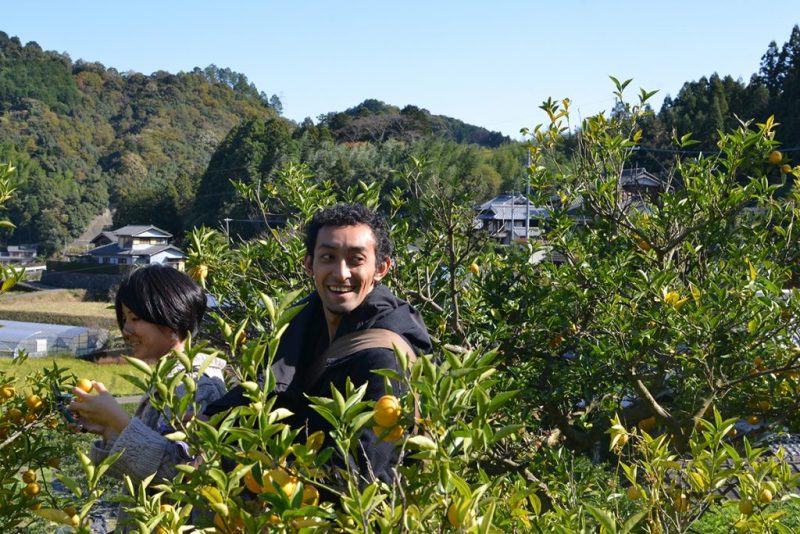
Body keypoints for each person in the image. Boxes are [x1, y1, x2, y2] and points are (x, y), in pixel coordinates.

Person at [206, 203, 431, 485]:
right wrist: (206, 423)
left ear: (381, 268)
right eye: (328, 257)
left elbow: (358, 473)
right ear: (309, 264)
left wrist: (261, 475)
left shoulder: (386, 356)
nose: (341, 273)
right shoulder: (297, 325)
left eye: (356, 259)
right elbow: (256, 394)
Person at [68, 264, 226, 529]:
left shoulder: (198, 385)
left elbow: (182, 476)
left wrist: (121, 421)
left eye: (135, 318)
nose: (126, 329)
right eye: (124, 319)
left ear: (171, 319)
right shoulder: (168, 378)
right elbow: (151, 461)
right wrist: (108, 428)